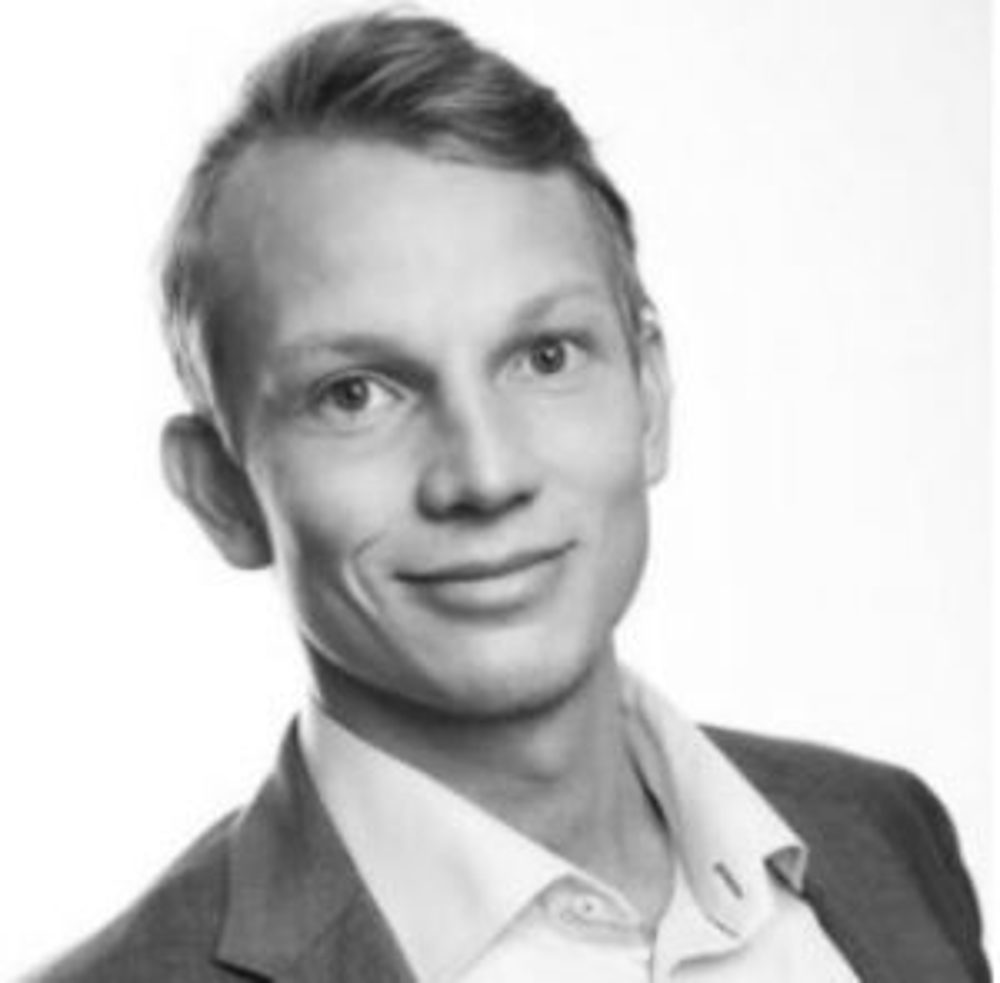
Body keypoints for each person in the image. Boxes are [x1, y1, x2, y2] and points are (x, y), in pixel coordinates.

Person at [26, 10, 989, 983]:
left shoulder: (883, 832)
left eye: (545, 356)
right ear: (220, 493)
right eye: (354, 393)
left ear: (650, 393)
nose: (485, 476)